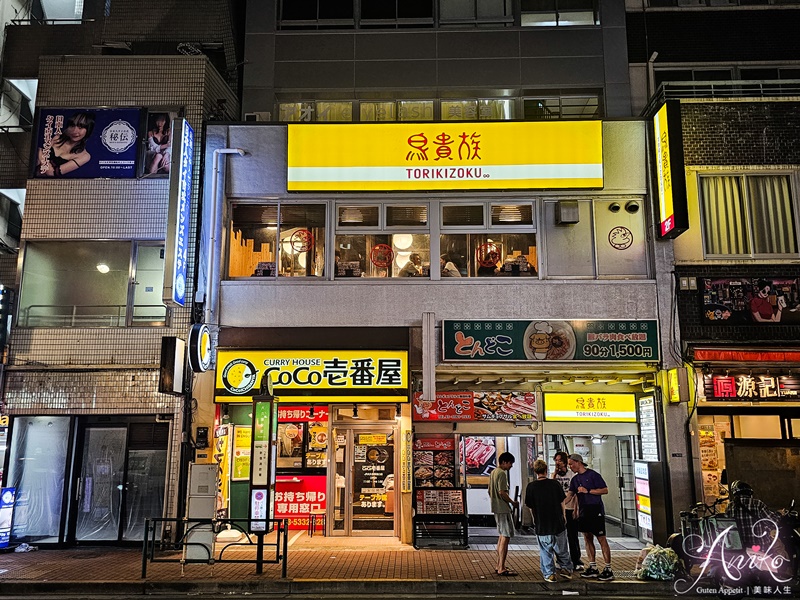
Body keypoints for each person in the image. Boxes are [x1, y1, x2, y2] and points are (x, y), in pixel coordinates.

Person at [565, 453, 614, 581]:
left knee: (601, 538)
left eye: (571, 464)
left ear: (578, 462)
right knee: (587, 538)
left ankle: (608, 568)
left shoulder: (593, 475)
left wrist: (588, 491)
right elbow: (570, 495)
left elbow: (605, 490)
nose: (570, 467)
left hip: (595, 509)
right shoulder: (575, 480)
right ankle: (593, 566)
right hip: (583, 511)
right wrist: (559, 504)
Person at [525, 459, 573, 582]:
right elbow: (562, 501)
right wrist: (564, 516)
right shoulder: (555, 484)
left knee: (546, 550)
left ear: (535, 471)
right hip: (557, 521)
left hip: (542, 523)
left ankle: (549, 574)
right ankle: (566, 569)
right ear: (546, 470)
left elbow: (530, 507)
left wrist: (535, 519)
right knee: (562, 548)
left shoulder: (531, 487)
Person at [489, 451, 520, 576]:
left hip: (496, 507)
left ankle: (499, 565)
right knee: (505, 537)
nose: (511, 466)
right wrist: (512, 502)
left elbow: (490, 491)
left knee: (502, 536)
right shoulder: (502, 473)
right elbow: (502, 492)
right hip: (503, 508)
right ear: (505, 462)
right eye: (510, 463)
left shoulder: (493, 472)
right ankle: (501, 567)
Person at [36, 111, 95, 177]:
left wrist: (40, 153)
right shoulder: (57, 138)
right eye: (72, 125)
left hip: (44, 184)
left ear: (88, 130)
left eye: (80, 127)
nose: (75, 131)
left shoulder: (84, 156)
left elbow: (52, 173)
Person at [553, 451, 585, 571]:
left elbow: (575, 494)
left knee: (572, 536)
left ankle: (576, 559)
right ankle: (560, 560)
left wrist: (576, 509)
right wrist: (555, 474)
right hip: (559, 510)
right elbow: (551, 487)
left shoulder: (572, 475)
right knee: (559, 536)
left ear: (566, 462)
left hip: (571, 508)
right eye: (556, 460)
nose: (557, 463)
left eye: (560, 460)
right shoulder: (555, 475)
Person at [725, 480, 778, 551]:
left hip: (740, 548)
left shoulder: (730, 506)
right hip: (759, 547)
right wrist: (779, 514)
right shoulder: (757, 504)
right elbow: (771, 522)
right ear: (750, 493)